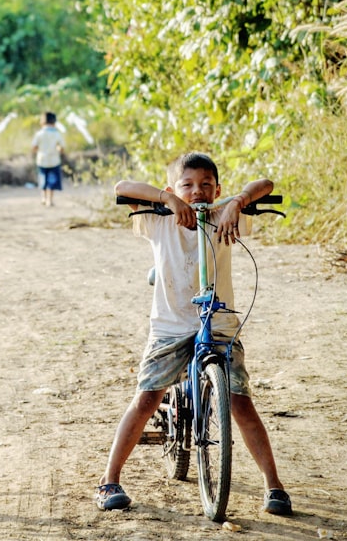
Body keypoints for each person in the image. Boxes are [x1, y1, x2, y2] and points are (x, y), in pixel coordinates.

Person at [96, 152, 292, 516]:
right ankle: (109, 479)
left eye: (206, 185)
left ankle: (274, 486)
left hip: (218, 325)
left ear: (217, 189)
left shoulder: (224, 216)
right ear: (173, 189)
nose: (197, 192)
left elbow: (266, 184)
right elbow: (122, 187)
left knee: (241, 402)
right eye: (186, 186)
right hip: (170, 325)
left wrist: (238, 202)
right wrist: (166, 200)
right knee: (147, 398)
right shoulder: (160, 220)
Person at [31, 111, 66, 207]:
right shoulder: (57, 134)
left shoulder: (39, 134)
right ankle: (49, 200)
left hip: (41, 159)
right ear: (54, 122)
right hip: (54, 160)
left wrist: (39, 150)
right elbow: (62, 147)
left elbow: (34, 147)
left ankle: (43, 197)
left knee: (43, 179)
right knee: (52, 181)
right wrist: (58, 150)